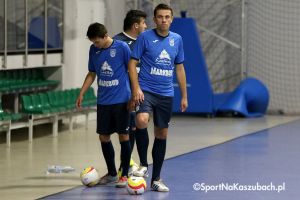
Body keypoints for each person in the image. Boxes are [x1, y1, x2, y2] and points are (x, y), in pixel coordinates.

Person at [128, 4, 188, 192]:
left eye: (167, 17)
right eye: (160, 17)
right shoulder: (145, 37)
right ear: (155, 19)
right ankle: (144, 164)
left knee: (161, 134)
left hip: (166, 93)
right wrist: (136, 88)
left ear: (171, 19)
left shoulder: (177, 40)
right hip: (146, 90)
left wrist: (184, 95)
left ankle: (156, 178)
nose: (163, 20)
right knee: (141, 119)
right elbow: (132, 63)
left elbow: (179, 67)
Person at [76, 22, 131, 188]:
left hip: (122, 99)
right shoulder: (93, 50)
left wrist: (136, 93)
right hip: (104, 100)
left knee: (124, 136)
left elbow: (132, 69)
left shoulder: (122, 48)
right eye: (93, 42)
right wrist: (82, 92)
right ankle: (113, 173)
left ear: (106, 35)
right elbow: (92, 73)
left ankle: (125, 175)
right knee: (103, 137)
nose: (95, 44)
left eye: (97, 41)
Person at [113, 9, 147, 177]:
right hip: (123, 95)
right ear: (136, 25)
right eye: (143, 23)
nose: (146, 26)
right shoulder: (117, 42)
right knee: (124, 131)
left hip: (139, 93)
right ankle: (123, 168)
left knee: (134, 127)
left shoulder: (143, 41)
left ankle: (129, 165)